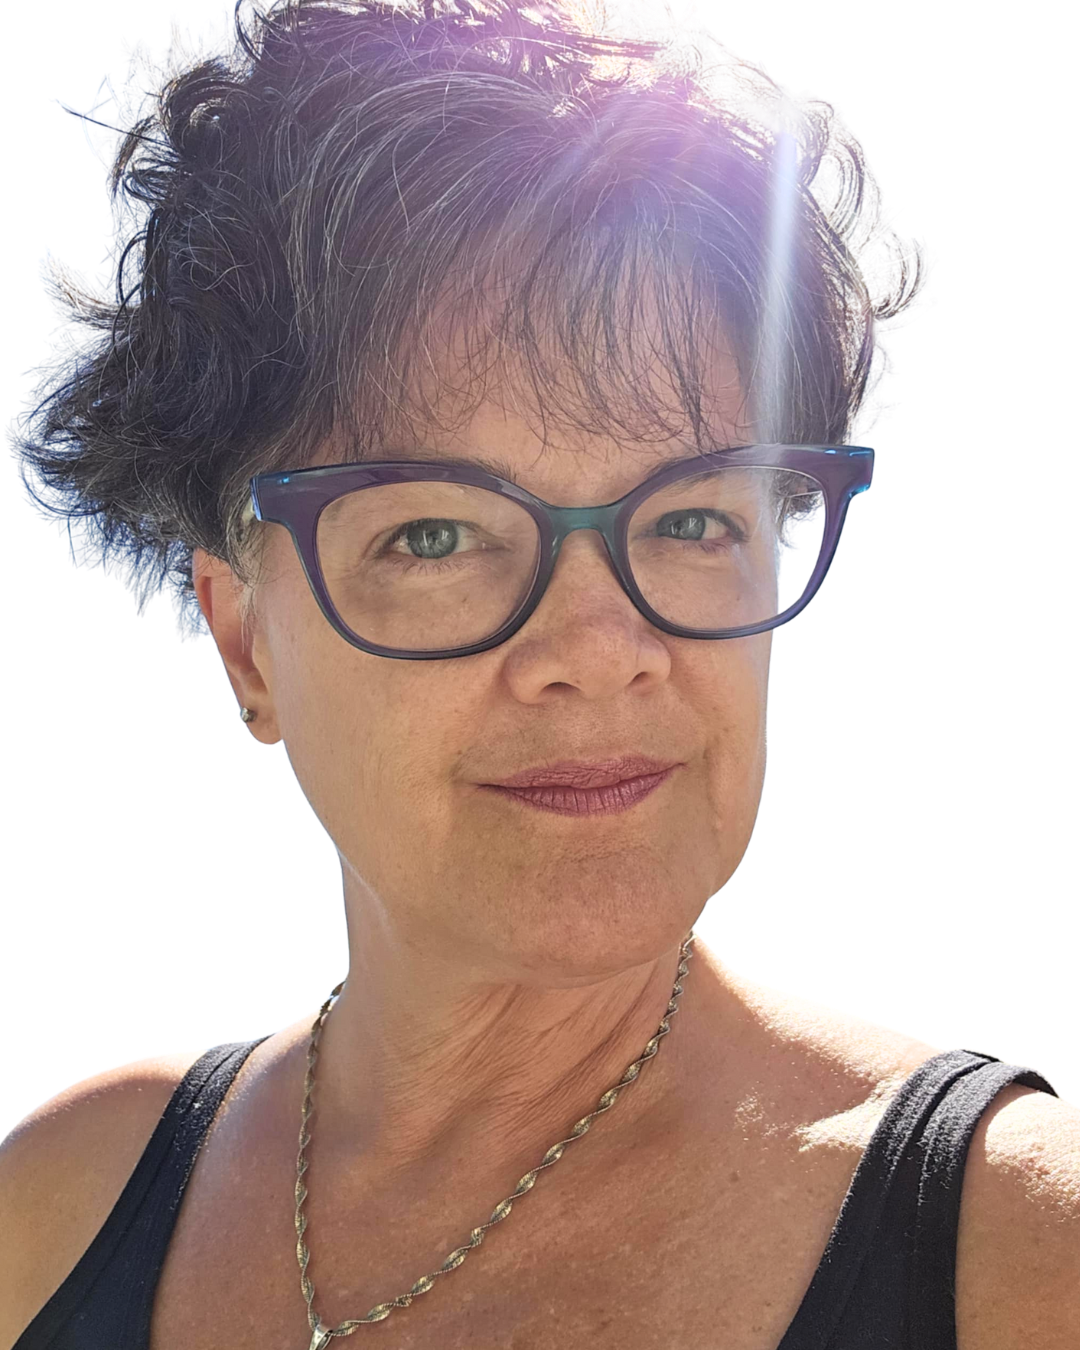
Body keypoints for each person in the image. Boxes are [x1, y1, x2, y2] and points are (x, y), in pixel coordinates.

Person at [5, 4, 1075, 1350]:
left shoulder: (1027, 1253)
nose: (598, 650)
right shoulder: (59, 1200)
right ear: (246, 643)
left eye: (692, 516)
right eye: (436, 535)